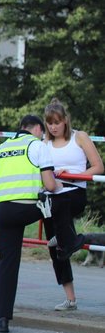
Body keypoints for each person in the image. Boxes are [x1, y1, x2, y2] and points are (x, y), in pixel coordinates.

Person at [0, 114, 58, 333]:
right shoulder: (37, 145)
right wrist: (58, 183)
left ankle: (1, 319)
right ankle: (61, 243)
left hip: (4, 211)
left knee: (7, 262)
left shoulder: (3, 147)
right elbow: (49, 184)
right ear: (37, 128)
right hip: (27, 209)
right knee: (56, 200)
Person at [42, 98, 104, 311]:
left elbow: (98, 166)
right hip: (52, 196)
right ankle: (71, 299)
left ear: (65, 121)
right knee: (58, 251)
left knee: (59, 238)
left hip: (74, 193)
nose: (53, 127)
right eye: (50, 123)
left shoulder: (80, 137)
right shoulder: (44, 143)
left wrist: (74, 176)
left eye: (57, 122)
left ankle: (70, 240)